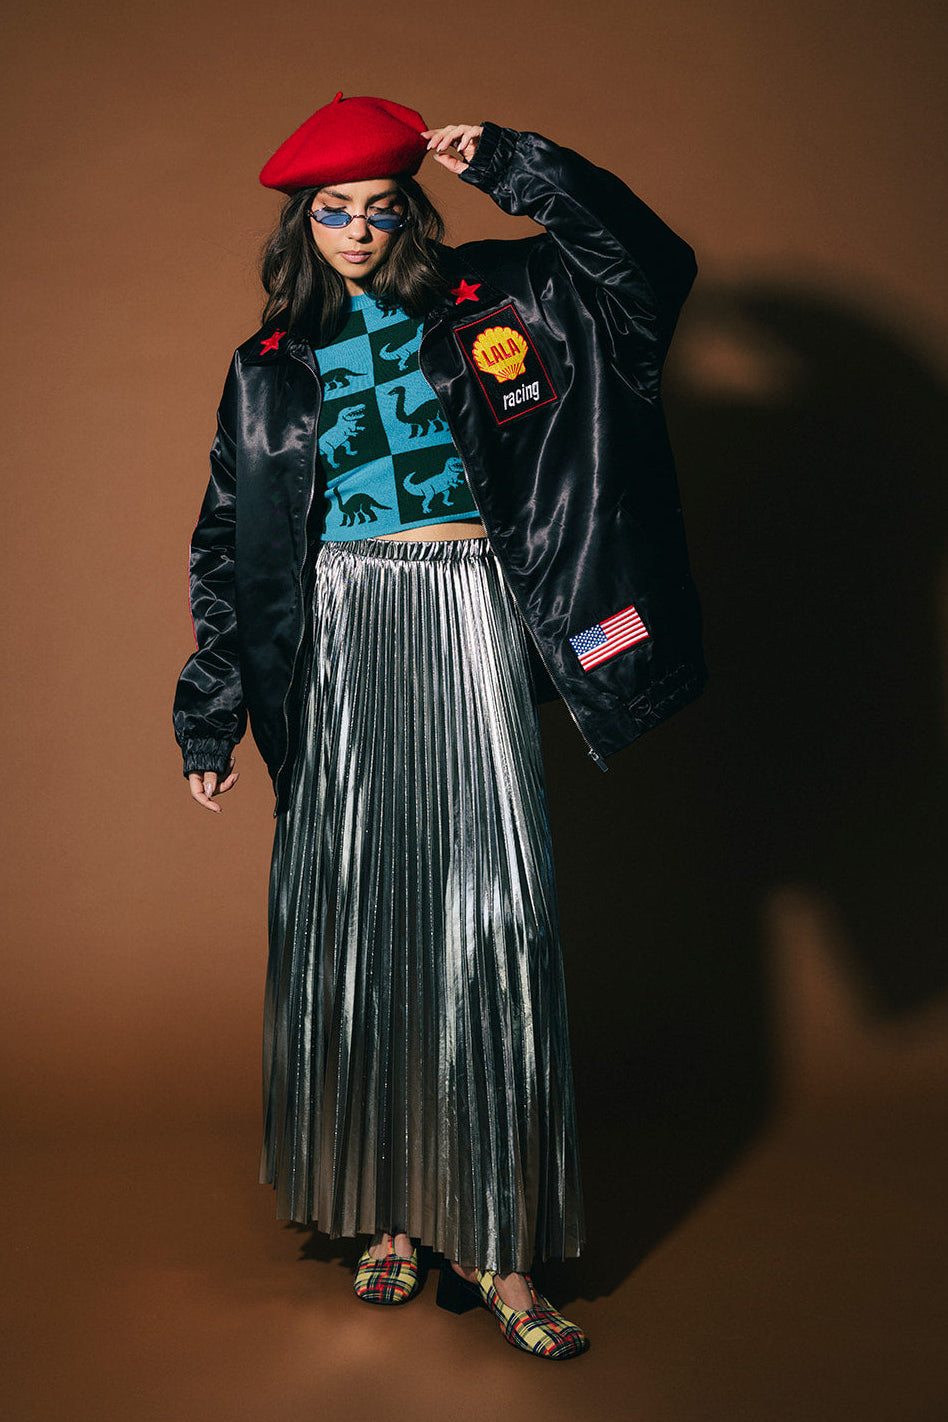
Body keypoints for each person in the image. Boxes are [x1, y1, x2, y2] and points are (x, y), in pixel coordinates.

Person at [172, 92, 704, 1360]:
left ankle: (499, 1244)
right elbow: (223, 547)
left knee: (490, 914)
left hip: (470, 611)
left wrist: (523, 165)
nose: (356, 229)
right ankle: (386, 1212)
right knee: (357, 909)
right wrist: (212, 711)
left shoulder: (508, 298)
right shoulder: (265, 367)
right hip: (342, 633)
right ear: (304, 223)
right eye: (331, 210)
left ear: (411, 210)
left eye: (377, 206)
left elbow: (652, 273)